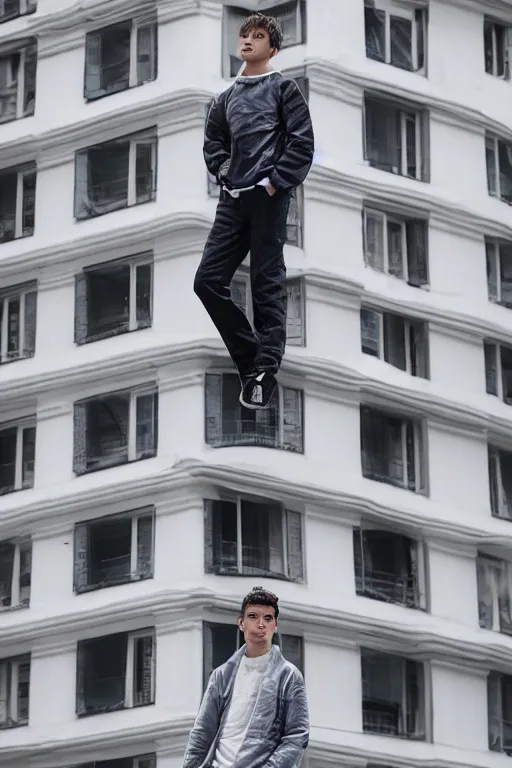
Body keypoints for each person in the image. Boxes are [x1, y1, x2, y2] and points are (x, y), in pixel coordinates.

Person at [194, 13, 315, 411]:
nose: (247, 40)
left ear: (273, 48)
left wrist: (275, 182)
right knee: (207, 282)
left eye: (258, 36)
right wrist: (225, 172)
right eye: (244, 34)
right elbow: (213, 144)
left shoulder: (283, 89)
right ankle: (249, 364)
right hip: (233, 200)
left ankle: (266, 368)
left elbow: (302, 142)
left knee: (266, 280)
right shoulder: (224, 100)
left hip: (268, 196)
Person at [182, 587, 309, 768]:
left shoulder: (288, 676)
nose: (261, 624)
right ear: (241, 623)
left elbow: (296, 737)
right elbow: (201, 735)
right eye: (253, 617)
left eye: (268, 618)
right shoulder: (221, 676)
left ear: (275, 625)